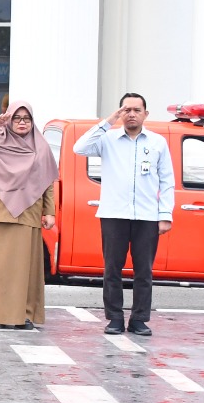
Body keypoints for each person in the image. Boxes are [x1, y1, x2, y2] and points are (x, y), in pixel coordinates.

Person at [72, 93, 175, 336]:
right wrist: (108, 121)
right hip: (114, 214)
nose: (131, 114)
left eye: (136, 110)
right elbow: (79, 147)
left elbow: (167, 180)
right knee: (112, 269)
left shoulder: (157, 142)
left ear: (145, 114)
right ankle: (115, 318)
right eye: (126, 110)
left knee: (144, 271)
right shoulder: (107, 139)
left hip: (147, 216)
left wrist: (165, 214)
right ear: (119, 113)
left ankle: (139, 319)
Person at [0, 102, 59, 330]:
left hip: (29, 214)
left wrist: (50, 211)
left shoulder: (41, 147)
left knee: (26, 270)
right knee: (1, 268)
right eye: (17, 118)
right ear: (9, 120)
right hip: (3, 214)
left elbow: (47, 182)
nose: (22, 122)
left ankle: (24, 315)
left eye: (26, 118)